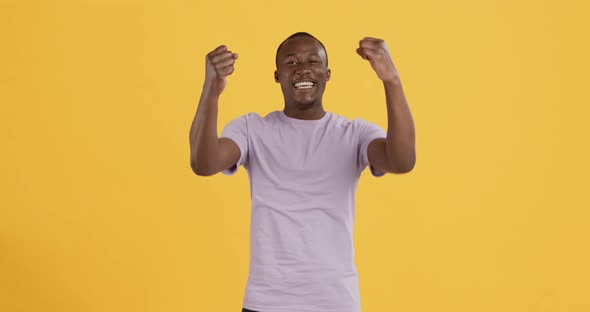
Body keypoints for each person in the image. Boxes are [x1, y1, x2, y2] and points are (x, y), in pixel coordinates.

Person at [189, 32, 416, 312]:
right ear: (277, 75)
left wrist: (391, 80)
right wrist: (211, 90)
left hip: (335, 302)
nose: (303, 69)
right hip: (266, 302)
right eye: (292, 62)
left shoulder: (354, 133)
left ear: (327, 73)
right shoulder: (252, 129)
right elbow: (204, 163)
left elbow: (402, 160)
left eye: (313, 61)